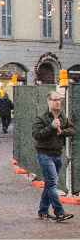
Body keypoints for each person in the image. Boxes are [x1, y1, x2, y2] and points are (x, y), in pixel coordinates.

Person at [32, 90, 76, 222]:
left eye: (59, 100)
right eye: (55, 100)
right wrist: (52, 127)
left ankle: (43, 211)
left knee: (49, 184)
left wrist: (61, 132)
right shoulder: (41, 117)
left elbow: (73, 129)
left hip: (57, 154)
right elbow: (36, 134)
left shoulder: (62, 116)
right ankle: (59, 212)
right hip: (45, 154)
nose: (58, 102)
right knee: (52, 183)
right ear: (48, 101)